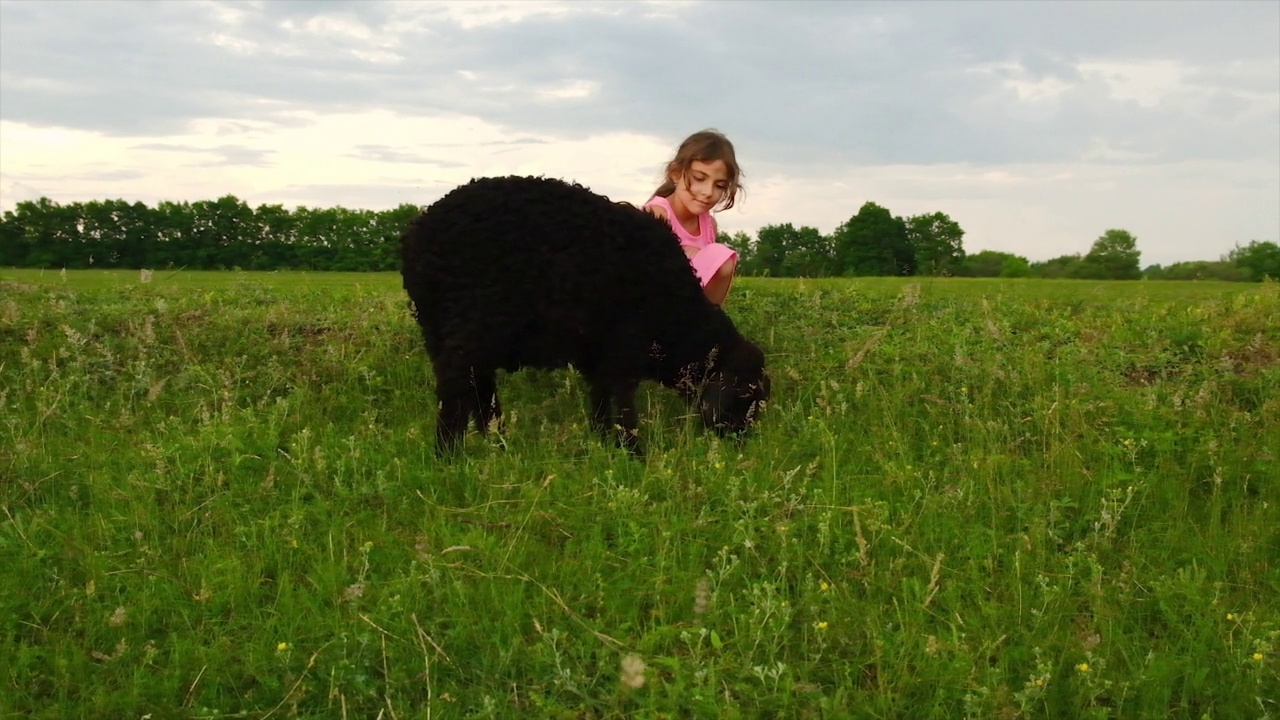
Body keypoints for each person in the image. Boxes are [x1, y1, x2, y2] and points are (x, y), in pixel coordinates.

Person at [643, 129, 743, 306]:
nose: (708, 192)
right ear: (675, 173)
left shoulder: (709, 224)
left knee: (722, 258)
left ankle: (709, 323)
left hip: (690, 312)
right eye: (699, 178)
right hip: (652, 307)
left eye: (719, 185)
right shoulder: (657, 215)